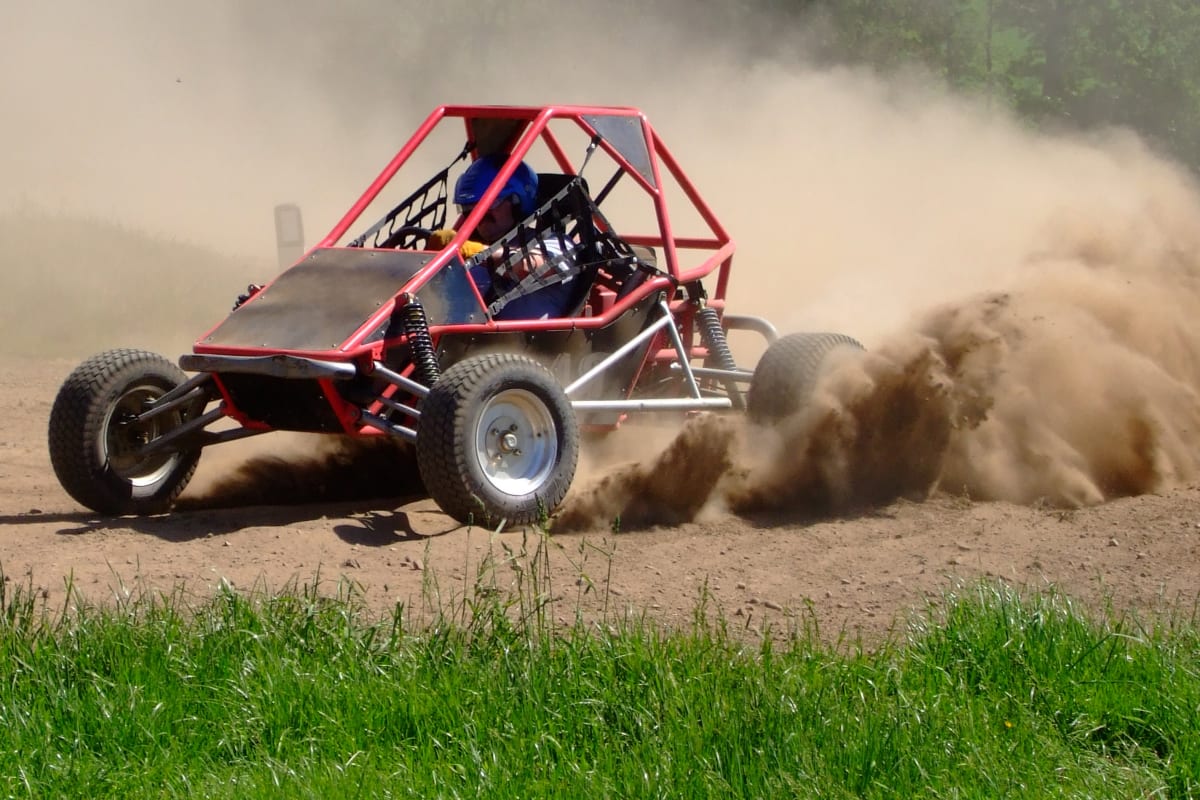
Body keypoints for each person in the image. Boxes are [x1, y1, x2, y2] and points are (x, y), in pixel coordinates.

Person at [435, 155, 578, 320]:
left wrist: (477, 253)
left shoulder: (556, 243)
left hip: (529, 344)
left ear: (518, 202)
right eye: (469, 208)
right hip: (466, 341)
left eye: (489, 204)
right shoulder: (470, 254)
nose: (479, 215)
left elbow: (529, 266)